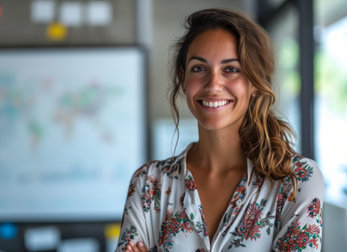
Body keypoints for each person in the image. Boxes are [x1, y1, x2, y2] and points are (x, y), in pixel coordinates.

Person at [116, 8, 324, 252]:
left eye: (231, 69)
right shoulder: (149, 184)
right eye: (199, 68)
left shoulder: (296, 180)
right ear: (183, 79)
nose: (213, 84)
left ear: (255, 82)